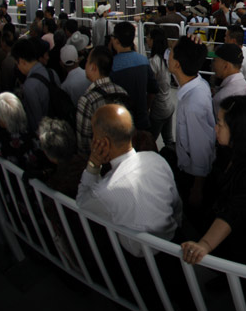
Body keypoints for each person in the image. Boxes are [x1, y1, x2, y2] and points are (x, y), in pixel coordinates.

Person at [180, 96, 246, 276]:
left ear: (237, 128)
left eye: (220, 124)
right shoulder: (228, 150)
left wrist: (205, 244)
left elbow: (234, 210)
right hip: (231, 238)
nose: (215, 128)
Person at [77, 104, 182, 257]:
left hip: (142, 260)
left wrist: (93, 164)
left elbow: (82, 202)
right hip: (174, 243)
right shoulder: (156, 160)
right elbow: (176, 205)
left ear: (104, 142)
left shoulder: (106, 191)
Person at [170, 36, 215, 213]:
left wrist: (197, 188)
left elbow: (201, 148)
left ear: (177, 64)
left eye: (171, 52)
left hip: (192, 176)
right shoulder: (196, 82)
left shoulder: (193, 104)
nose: (168, 54)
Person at [75, 46, 128, 155]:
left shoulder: (87, 100)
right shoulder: (122, 92)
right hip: (121, 157)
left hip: (99, 160)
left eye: (87, 62)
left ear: (93, 67)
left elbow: (84, 144)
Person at [109, 21, 157, 132]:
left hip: (122, 124)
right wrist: (145, 108)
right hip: (142, 121)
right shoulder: (143, 60)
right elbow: (153, 89)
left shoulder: (111, 65)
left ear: (116, 40)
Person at [12, 37, 61, 134]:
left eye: (17, 64)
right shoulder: (52, 73)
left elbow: (36, 122)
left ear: (21, 61)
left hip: (46, 135)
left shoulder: (29, 86)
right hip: (60, 128)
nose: (18, 67)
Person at [146, 27, 175, 148]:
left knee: (149, 141)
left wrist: (147, 107)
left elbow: (152, 89)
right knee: (168, 139)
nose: (147, 39)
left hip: (159, 108)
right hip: (169, 104)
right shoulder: (167, 58)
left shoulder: (154, 61)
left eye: (148, 37)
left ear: (153, 40)